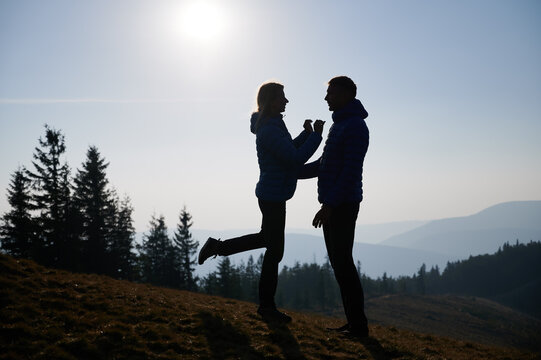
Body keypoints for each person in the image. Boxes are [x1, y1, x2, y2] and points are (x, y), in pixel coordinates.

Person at [198, 82, 324, 323]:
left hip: (274, 194)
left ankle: (219, 249)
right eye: (282, 97)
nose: (286, 101)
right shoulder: (268, 130)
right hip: (272, 196)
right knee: (274, 250)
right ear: (270, 101)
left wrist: (306, 134)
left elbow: (288, 149)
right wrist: (317, 136)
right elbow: (294, 158)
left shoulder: (273, 125)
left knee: (270, 244)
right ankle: (265, 306)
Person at [299, 76, 370, 338]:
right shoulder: (340, 125)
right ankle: (353, 323)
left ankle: (359, 326)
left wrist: (329, 205)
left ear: (345, 94)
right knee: (341, 265)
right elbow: (325, 164)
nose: (326, 98)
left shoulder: (355, 127)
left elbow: (350, 172)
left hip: (342, 205)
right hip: (336, 204)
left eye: (330, 93)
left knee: (344, 265)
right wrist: (294, 171)